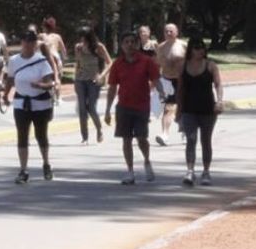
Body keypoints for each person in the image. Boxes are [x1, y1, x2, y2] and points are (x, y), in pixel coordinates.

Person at [104, 31, 164, 185]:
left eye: (132, 42)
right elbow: (112, 88)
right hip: (123, 106)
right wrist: (107, 110)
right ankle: (130, 171)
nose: (130, 45)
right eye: (126, 42)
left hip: (142, 106)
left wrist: (162, 92)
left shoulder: (146, 61)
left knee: (141, 138)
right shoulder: (118, 63)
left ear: (137, 44)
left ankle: (147, 160)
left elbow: (156, 79)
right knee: (126, 139)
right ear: (122, 45)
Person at [7, 30, 56, 183]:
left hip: (40, 104)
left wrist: (40, 85)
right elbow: (10, 79)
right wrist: (4, 94)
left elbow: (50, 83)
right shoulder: (14, 60)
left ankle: (46, 163)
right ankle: (23, 170)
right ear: (21, 43)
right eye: (25, 41)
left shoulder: (41, 61)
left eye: (31, 42)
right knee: (22, 136)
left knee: (41, 135)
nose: (28, 44)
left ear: (35, 44)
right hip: (21, 103)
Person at [175, 37, 224, 185]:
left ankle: (206, 171)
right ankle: (190, 171)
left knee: (205, 140)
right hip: (189, 109)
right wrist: (179, 110)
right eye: (196, 47)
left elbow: (218, 84)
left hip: (207, 109)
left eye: (202, 47)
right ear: (190, 49)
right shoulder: (183, 66)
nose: (200, 50)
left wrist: (219, 101)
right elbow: (180, 89)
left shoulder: (210, 65)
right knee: (191, 140)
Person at [73, 27, 111, 144]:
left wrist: (102, 75)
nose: (82, 40)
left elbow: (110, 62)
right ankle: (84, 137)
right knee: (82, 108)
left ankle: (99, 129)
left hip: (94, 80)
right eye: (81, 37)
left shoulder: (99, 47)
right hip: (80, 80)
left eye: (84, 37)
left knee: (91, 107)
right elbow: (78, 63)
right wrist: (76, 77)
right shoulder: (78, 47)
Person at [155, 23, 186, 145]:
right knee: (168, 109)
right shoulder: (161, 47)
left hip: (182, 80)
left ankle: (185, 131)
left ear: (176, 32)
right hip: (167, 80)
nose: (168, 33)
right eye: (166, 31)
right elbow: (157, 65)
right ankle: (165, 134)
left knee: (183, 108)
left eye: (171, 31)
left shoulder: (183, 45)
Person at [39, 16, 68, 105]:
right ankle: (58, 98)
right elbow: (63, 50)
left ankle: (48, 95)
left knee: (46, 76)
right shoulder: (57, 36)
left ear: (44, 27)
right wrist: (64, 60)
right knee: (57, 77)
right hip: (55, 56)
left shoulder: (41, 36)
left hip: (45, 57)